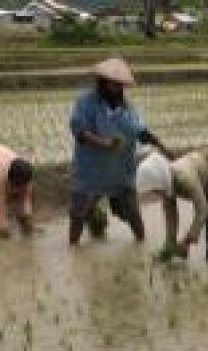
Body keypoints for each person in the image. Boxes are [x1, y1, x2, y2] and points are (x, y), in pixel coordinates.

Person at [68, 57, 172, 245]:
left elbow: (141, 132)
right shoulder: (86, 102)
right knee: (78, 214)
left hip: (120, 171)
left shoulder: (127, 108)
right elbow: (79, 131)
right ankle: (73, 248)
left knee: (133, 213)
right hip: (90, 169)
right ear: (103, 82)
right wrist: (104, 144)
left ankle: (140, 246)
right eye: (114, 84)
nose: (118, 89)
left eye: (121, 85)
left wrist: (162, 146)